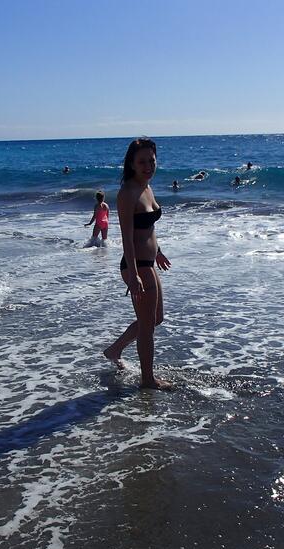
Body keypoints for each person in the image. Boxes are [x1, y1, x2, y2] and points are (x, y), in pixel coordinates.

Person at [103, 138, 172, 390]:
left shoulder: (147, 188)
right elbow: (127, 237)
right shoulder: (128, 193)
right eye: (142, 161)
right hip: (136, 266)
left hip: (149, 263)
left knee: (156, 319)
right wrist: (133, 274)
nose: (148, 166)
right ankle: (147, 380)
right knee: (146, 326)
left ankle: (115, 349)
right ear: (131, 163)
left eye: (152, 161)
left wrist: (160, 251)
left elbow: (148, 228)